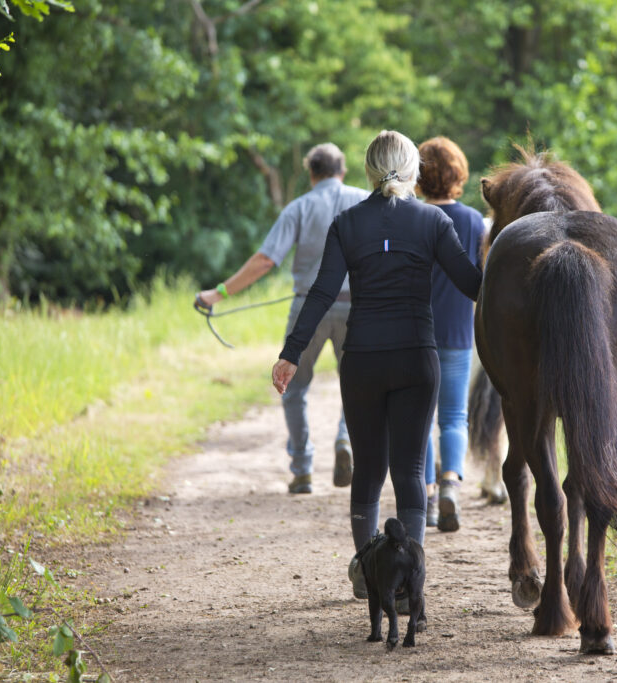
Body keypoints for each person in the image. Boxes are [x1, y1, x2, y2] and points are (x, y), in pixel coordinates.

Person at [270, 130, 481, 598]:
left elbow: (322, 293)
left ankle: (368, 572)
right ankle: (408, 584)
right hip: (415, 359)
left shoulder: (347, 222)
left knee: (368, 470)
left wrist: (291, 353)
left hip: (363, 360)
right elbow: (473, 284)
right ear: (414, 172)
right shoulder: (432, 222)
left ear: (368, 171)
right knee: (410, 470)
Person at [198, 143, 368, 495]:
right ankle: (346, 441)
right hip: (358, 308)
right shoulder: (365, 201)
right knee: (358, 387)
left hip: (309, 309)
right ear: (342, 171)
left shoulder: (299, 207)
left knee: (293, 387)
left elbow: (265, 261)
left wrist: (220, 293)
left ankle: (303, 469)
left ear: (311, 173)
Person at [416, 137, 486, 533]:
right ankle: (450, 489)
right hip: (459, 331)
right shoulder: (474, 221)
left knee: (422, 419)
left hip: (417, 331)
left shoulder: (411, 217)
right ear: (458, 173)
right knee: (455, 417)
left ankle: (424, 496)